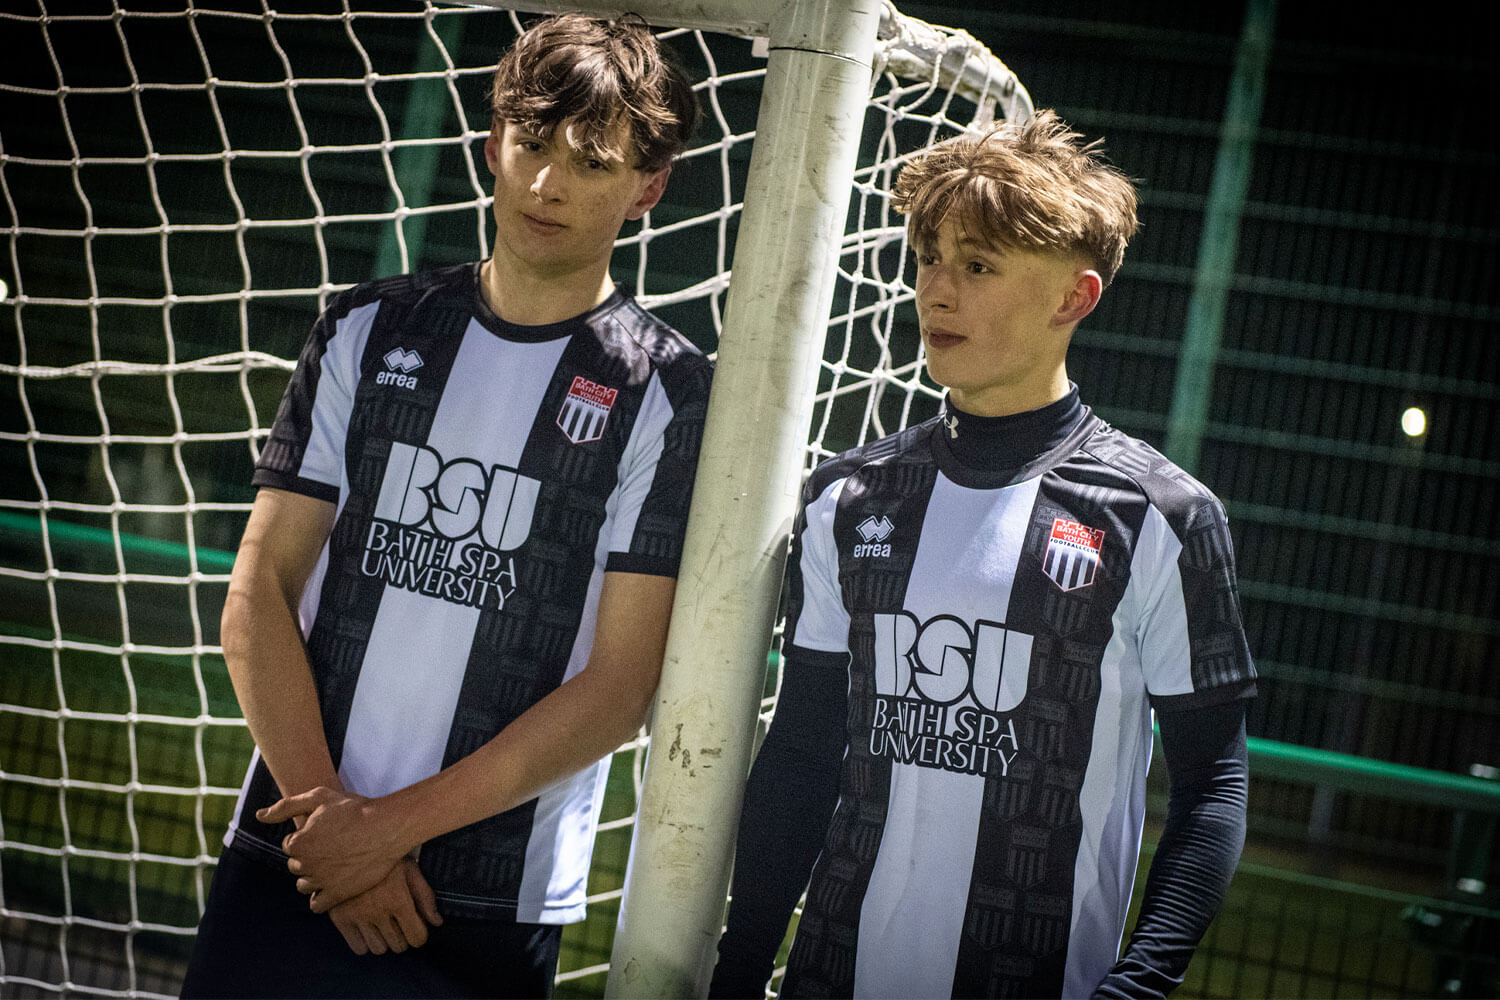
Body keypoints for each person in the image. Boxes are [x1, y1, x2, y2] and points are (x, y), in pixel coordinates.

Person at [180, 13, 707, 998]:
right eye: (533, 144)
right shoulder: (369, 329)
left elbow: (623, 683)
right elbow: (259, 585)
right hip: (291, 855)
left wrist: (385, 834)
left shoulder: (670, 393)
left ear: (648, 187)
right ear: (490, 144)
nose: (548, 183)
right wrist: (331, 822)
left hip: (483, 905)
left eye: (591, 162)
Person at [708, 110, 1256, 1000]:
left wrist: (1142, 982)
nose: (935, 290)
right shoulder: (849, 498)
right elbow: (804, 753)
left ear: (1074, 298)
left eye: (977, 266)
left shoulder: (1159, 515)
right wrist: (738, 970)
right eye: (928, 258)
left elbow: (1214, 782)